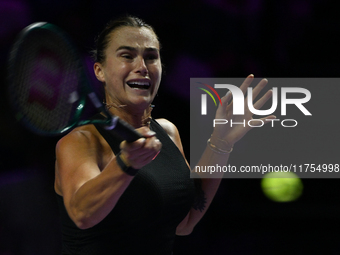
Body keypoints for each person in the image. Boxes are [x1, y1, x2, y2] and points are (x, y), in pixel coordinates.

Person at [54, 15, 275, 254]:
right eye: (127, 56)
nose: (142, 66)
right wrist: (126, 164)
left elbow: (185, 222)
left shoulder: (168, 131)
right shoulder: (81, 141)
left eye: (151, 57)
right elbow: (82, 215)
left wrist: (220, 143)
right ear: (100, 70)